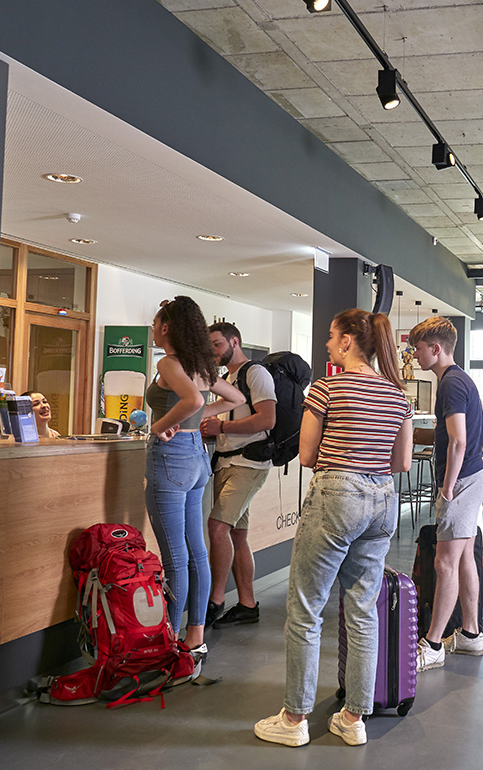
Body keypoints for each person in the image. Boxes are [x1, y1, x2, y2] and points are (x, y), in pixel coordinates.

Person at [255, 309, 412, 748]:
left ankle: (294, 719)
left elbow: (305, 455)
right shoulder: (398, 396)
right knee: (363, 610)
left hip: (336, 494)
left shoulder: (326, 388)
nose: (326, 344)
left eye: (330, 336)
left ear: (347, 342)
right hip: (382, 501)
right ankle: (354, 718)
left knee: (305, 609)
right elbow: (400, 463)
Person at [144, 297, 245, 658]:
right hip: (197, 457)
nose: (153, 330)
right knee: (195, 552)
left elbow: (190, 400)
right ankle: (195, 634)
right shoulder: (199, 365)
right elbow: (232, 396)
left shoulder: (169, 363)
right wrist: (194, 418)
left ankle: (168, 641)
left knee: (174, 558)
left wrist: (159, 426)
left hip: (171, 458)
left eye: (156, 324)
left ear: (167, 328)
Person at [409, 316, 483, 673]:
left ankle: (432, 645)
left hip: (462, 483)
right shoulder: (461, 380)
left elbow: (458, 440)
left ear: (436, 349)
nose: (414, 355)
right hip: (474, 478)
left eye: (417, 349)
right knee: (463, 560)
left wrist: (447, 488)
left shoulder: (450, 384)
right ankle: (470, 635)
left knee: (444, 563)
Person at [198, 322, 276, 630]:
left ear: (234, 341)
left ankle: (215, 601)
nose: (214, 351)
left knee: (217, 527)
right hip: (228, 463)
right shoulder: (229, 378)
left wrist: (222, 427)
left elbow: (267, 418)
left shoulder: (255, 373)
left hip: (248, 464)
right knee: (236, 535)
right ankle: (247, 604)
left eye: (217, 345)